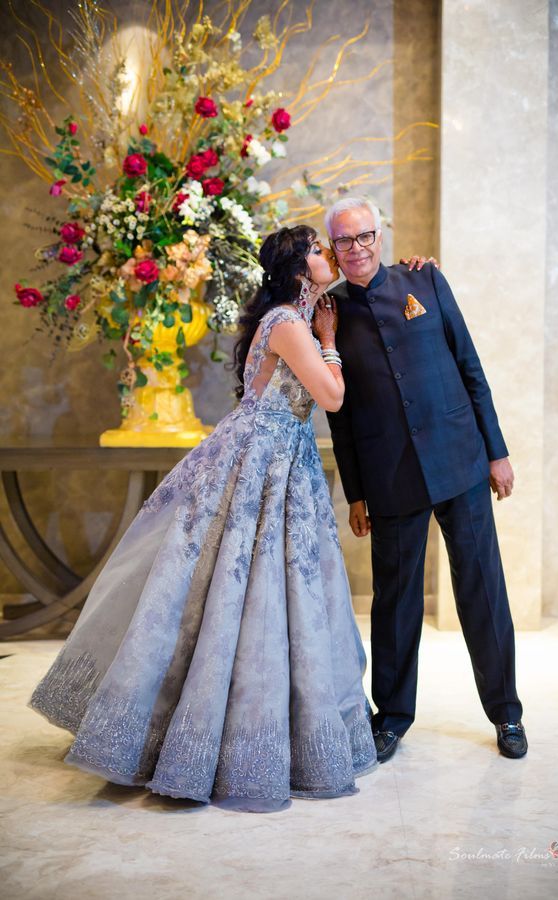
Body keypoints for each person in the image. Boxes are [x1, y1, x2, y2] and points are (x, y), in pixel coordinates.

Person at [29, 225, 380, 813]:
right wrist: (328, 339)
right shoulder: (290, 324)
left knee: (267, 589)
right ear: (298, 269)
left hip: (279, 461)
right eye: (318, 250)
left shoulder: (287, 319)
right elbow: (333, 397)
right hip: (259, 461)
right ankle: (202, 739)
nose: (327, 256)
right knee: (236, 590)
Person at [324, 197, 527, 764]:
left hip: (460, 460)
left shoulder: (426, 279)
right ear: (333, 249)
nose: (357, 248)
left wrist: (497, 451)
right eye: (344, 241)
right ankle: (390, 718)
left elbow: (471, 367)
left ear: (380, 236)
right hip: (389, 477)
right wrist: (357, 493)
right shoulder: (330, 313)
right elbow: (339, 415)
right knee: (395, 600)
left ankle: (507, 713)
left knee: (483, 590)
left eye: (365, 235)